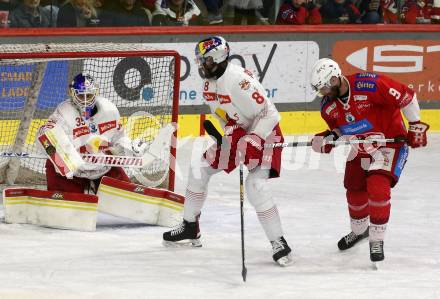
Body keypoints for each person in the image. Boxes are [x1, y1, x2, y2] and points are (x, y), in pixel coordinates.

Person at [162, 36, 293, 267]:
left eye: (207, 62)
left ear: (220, 58)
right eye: (201, 62)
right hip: (237, 134)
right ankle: (190, 227)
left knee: (256, 187)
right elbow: (224, 116)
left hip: (265, 133)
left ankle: (278, 241)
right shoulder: (209, 85)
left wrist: (254, 137)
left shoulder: (238, 81)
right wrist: (225, 136)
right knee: (200, 169)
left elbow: (271, 114)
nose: (203, 66)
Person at [309, 58, 429, 263]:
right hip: (361, 147)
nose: (323, 93)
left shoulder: (370, 84)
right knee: (354, 189)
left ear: (336, 79)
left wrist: (415, 125)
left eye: (325, 88)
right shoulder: (328, 107)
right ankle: (359, 231)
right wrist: (330, 138)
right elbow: (341, 128)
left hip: (391, 144)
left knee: (378, 186)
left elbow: (406, 98)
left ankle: (377, 238)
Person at [37, 74, 145, 194]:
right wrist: (57, 148)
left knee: (126, 199)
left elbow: (118, 138)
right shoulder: (64, 112)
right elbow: (44, 134)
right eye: (80, 95)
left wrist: (130, 147)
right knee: (68, 210)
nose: (84, 100)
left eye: (88, 95)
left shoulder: (109, 110)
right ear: (72, 94)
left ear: (95, 93)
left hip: (103, 168)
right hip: (73, 174)